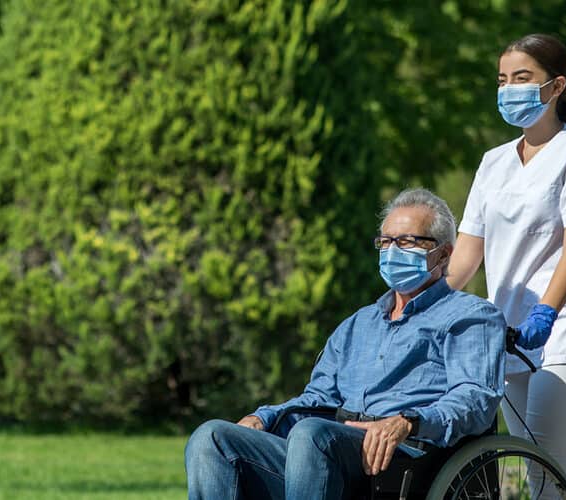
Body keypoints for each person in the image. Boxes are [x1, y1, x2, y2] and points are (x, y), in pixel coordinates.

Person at [185, 188, 506, 500]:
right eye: (386, 242)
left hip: (409, 453)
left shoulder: (470, 316)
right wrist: (266, 417)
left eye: (407, 241)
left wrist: (408, 421)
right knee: (212, 438)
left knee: (313, 435)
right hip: (331, 447)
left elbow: (475, 398)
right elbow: (317, 399)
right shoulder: (357, 324)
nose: (393, 251)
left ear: (444, 253)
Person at [445, 33, 566, 500]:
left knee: (544, 476)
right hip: (507, 336)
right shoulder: (493, 162)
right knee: (562, 477)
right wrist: (423, 301)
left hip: (564, 332)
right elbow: (467, 253)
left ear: (557, 86)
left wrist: (546, 312)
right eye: (502, 80)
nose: (509, 89)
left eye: (522, 78)